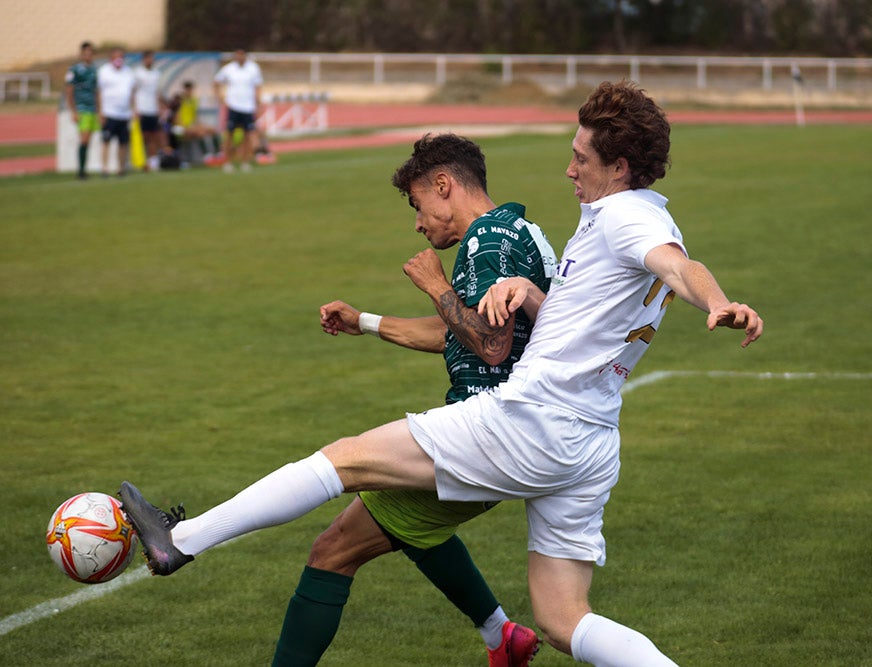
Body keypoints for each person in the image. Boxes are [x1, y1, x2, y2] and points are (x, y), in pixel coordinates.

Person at [120, 80, 763, 667]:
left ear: (618, 167)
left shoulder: (630, 217)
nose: (569, 169)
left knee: (344, 461)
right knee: (565, 620)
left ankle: (182, 539)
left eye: (581, 158)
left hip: (531, 421)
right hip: (591, 443)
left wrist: (718, 300)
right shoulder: (618, 218)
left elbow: (677, 266)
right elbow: (594, 316)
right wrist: (530, 294)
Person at [272, 133, 556, 666]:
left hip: (485, 437)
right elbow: (457, 331)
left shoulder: (486, 239)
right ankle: (502, 637)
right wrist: (366, 322)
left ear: (443, 185)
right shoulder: (517, 229)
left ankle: (189, 537)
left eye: (418, 205)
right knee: (408, 525)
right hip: (503, 433)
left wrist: (433, 284)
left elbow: (488, 344)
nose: (418, 223)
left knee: (332, 550)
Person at [213, 49, 263, 173]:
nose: (239, 57)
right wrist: (219, 97)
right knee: (229, 135)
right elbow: (216, 82)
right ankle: (227, 162)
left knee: (247, 135)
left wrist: (257, 101)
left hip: (248, 107)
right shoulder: (229, 69)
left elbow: (258, 85)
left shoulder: (253, 68)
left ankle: (245, 162)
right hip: (233, 106)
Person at [96, 46, 136, 177]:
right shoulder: (104, 72)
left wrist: (134, 109)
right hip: (109, 113)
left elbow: (132, 93)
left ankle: (121, 168)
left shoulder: (128, 72)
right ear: (111, 58)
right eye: (116, 57)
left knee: (123, 143)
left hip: (124, 114)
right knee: (106, 141)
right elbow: (99, 92)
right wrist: (100, 111)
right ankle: (105, 168)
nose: (119, 60)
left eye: (121, 57)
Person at [166, 81, 223, 165]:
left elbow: (195, 116)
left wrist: (200, 125)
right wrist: (188, 127)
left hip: (191, 126)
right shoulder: (179, 100)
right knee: (200, 133)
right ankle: (207, 156)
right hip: (179, 128)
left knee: (213, 130)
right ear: (184, 90)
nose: (189, 92)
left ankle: (219, 155)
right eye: (187, 90)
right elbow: (175, 118)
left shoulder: (193, 100)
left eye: (190, 90)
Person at [64, 41, 97, 179]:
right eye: (85, 53)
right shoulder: (74, 70)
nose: (88, 55)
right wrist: (73, 111)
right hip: (81, 109)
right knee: (83, 139)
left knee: (88, 140)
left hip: (92, 109)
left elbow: (97, 91)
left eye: (90, 53)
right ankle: (81, 171)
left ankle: (83, 169)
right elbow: (69, 91)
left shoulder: (95, 70)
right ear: (81, 54)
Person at [133, 50, 165, 171]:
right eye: (148, 58)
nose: (150, 61)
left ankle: (153, 161)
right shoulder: (138, 73)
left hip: (153, 110)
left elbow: (157, 92)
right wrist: (135, 108)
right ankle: (142, 161)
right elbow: (133, 92)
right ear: (143, 59)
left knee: (153, 136)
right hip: (142, 109)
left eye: (152, 58)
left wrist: (160, 107)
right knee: (143, 137)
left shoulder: (156, 74)